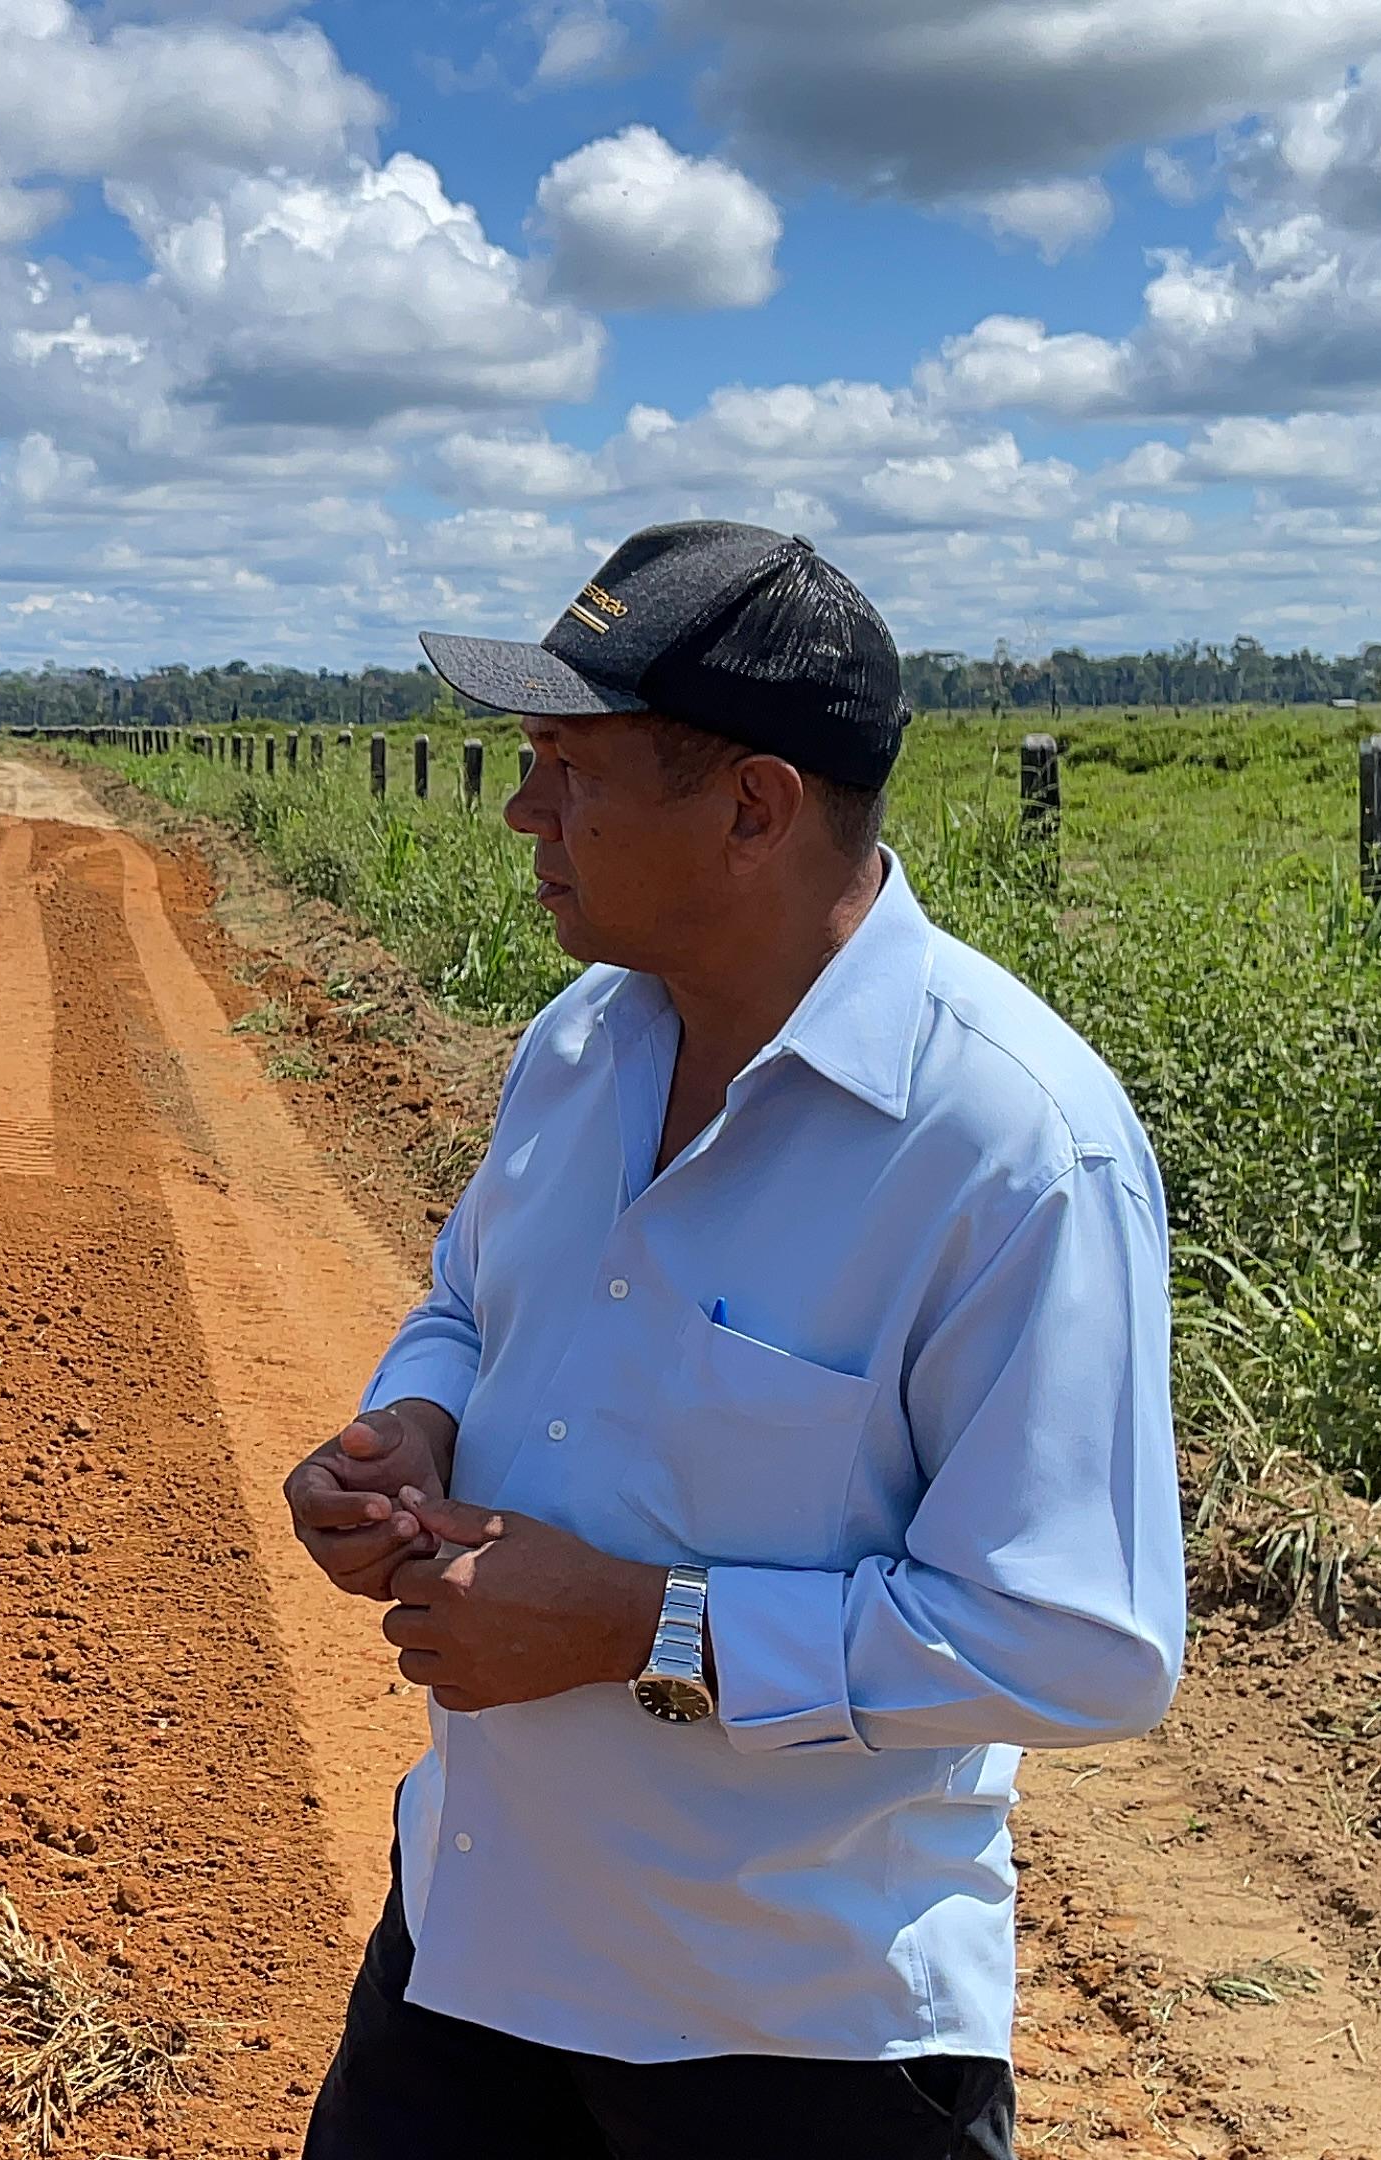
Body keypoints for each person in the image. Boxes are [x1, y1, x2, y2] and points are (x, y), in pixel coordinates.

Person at [284, 521, 1185, 2159]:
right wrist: (407, 1426)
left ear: (754, 808)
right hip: (474, 1949)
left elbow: (1083, 1642)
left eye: (571, 765)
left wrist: (646, 1627)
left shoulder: (1007, 1148)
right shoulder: (581, 1038)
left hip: (794, 2043)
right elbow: (469, 1302)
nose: (521, 808)